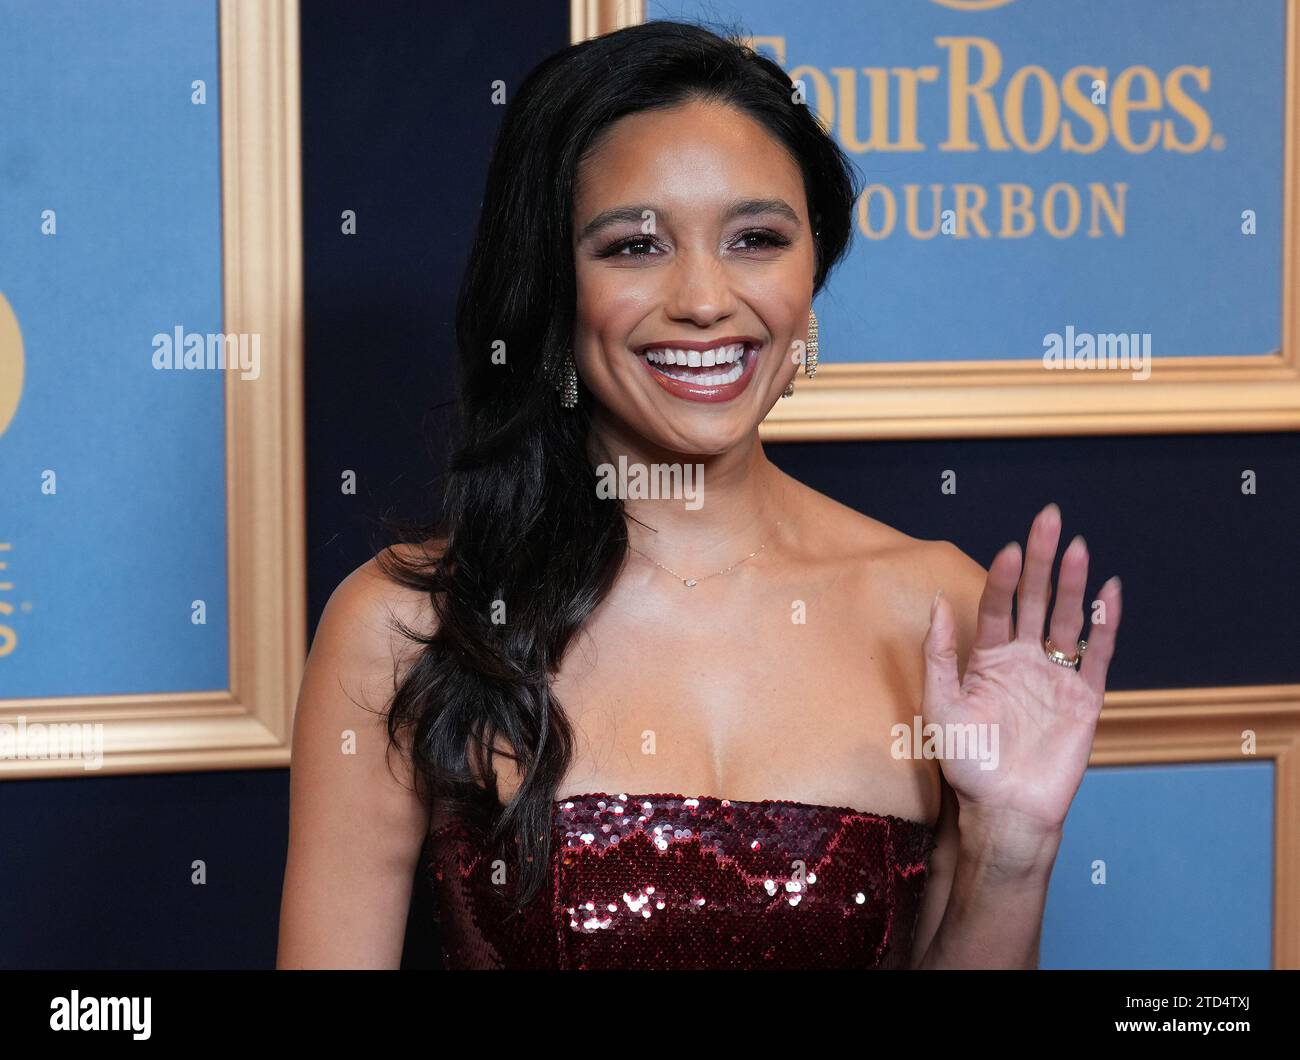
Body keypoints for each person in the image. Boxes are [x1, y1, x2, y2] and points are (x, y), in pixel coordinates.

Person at [276, 19, 1122, 970]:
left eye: (756, 238)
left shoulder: (942, 611)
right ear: (553, 286)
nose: (706, 299)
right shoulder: (406, 625)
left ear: (813, 273)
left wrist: (1013, 856)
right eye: (635, 246)